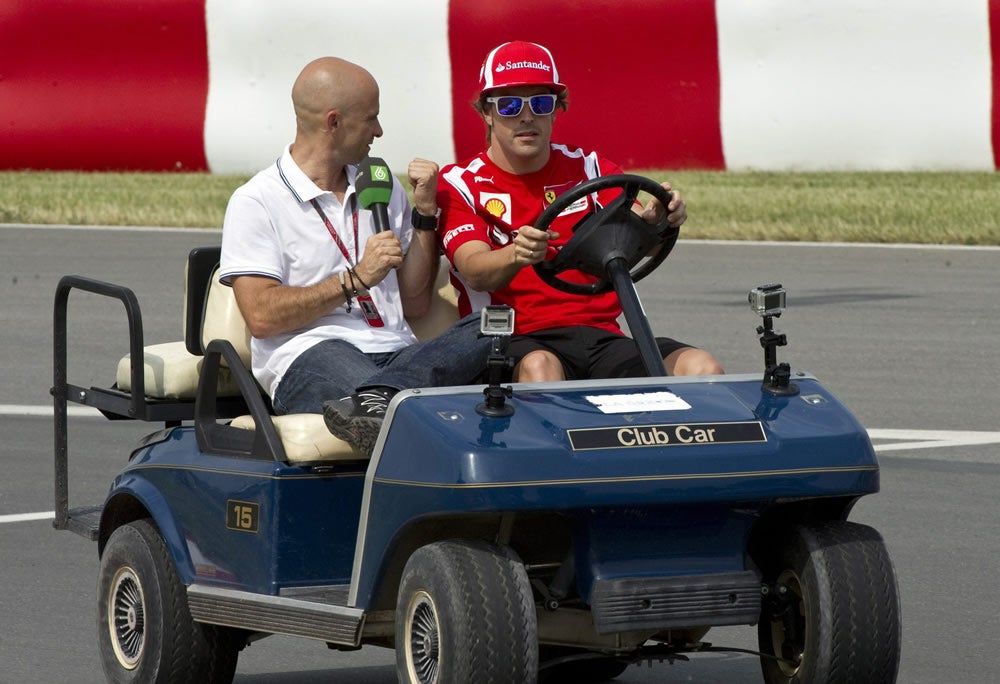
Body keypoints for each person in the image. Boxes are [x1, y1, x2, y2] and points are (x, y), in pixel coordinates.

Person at [219, 56, 490, 455]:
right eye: (371, 119)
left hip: (397, 351)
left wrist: (426, 213)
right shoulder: (257, 200)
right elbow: (261, 317)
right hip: (313, 350)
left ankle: (381, 397)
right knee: (408, 398)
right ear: (334, 123)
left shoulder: (380, 183)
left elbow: (414, 302)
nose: (379, 131)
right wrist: (356, 279)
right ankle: (390, 400)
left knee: (495, 327)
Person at [436, 40, 724, 382]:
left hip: (601, 337)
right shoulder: (460, 183)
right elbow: (474, 271)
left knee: (703, 368)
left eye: (541, 103)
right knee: (542, 369)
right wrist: (516, 254)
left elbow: (637, 249)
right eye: (510, 105)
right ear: (487, 112)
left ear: (557, 110)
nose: (527, 116)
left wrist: (655, 224)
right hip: (510, 341)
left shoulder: (591, 168)